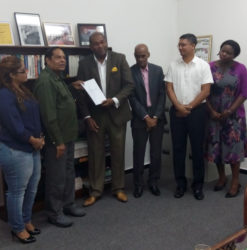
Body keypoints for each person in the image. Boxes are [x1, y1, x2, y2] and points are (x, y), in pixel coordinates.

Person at [76, 32, 134, 206]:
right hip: (95, 117)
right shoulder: (84, 63)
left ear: (106, 43)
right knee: (95, 154)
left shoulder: (119, 58)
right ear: (90, 47)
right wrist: (86, 116)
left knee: (118, 152)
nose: (99, 46)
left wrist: (115, 100)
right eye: (95, 44)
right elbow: (81, 92)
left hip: (117, 113)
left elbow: (129, 85)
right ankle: (95, 191)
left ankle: (119, 188)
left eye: (102, 42)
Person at [34, 47, 85, 228]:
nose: (62, 60)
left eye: (64, 57)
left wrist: (71, 87)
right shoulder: (45, 81)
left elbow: (61, 101)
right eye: (57, 57)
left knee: (68, 173)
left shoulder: (58, 78)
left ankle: (68, 204)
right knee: (56, 177)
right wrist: (58, 142)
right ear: (47, 60)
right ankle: (54, 213)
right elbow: (49, 115)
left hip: (68, 136)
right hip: (57, 140)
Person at [0, 56, 44, 243]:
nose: (27, 72)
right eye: (22, 71)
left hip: (32, 147)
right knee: (17, 191)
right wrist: (32, 139)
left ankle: (26, 220)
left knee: (32, 188)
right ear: (11, 75)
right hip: (15, 149)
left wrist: (39, 138)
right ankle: (17, 228)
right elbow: (13, 125)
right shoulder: (4, 95)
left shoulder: (23, 90)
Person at [165, 33, 213, 200]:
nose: (180, 48)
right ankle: (180, 184)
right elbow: (169, 88)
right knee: (178, 149)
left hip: (197, 112)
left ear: (193, 46)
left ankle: (198, 186)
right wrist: (178, 106)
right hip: (177, 112)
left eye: (183, 45)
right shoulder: (173, 65)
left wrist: (190, 107)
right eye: (179, 45)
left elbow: (206, 90)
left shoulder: (203, 66)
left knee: (197, 149)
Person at [205, 40, 247, 198]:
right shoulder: (210, 67)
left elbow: (245, 93)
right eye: (222, 51)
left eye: (228, 53)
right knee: (216, 148)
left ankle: (235, 181)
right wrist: (211, 110)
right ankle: (222, 177)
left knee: (233, 150)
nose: (224, 54)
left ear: (234, 55)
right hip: (214, 115)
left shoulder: (241, 69)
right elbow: (204, 90)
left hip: (234, 117)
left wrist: (230, 110)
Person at [129, 44, 166, 198]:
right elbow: (132, 97)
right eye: (137, 56)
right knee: (139, 153)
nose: (140, 59)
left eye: (143, 56)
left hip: (157, 118)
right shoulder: (130, 72)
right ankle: (138, 184)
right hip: (139, 118)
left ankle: (153, 182)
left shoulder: (158, 70)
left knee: (156, 153)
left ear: (148, 55)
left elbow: (162, 95)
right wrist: (145, 117)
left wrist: (155, 117)